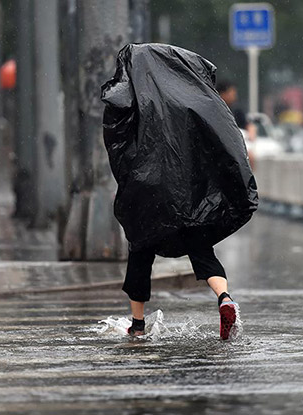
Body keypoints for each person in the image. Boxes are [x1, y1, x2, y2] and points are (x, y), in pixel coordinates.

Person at [101, 44, 258, 341]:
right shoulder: (196, 101)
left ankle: (137, 324)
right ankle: (225, 298)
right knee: (200, 249)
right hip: (189, 195)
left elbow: (117, 140)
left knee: (140, 251)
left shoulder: (133, 100)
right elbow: (224, 142)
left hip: (146, 192)